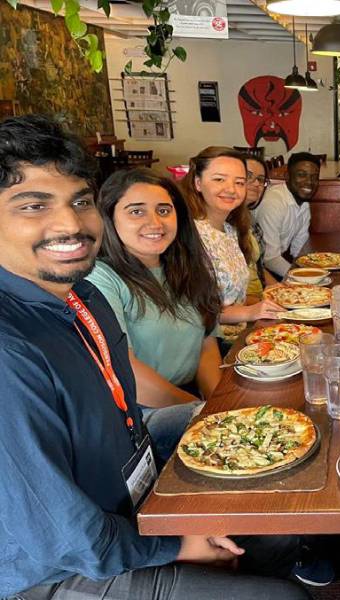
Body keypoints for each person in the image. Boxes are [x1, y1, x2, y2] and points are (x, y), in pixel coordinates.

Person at [0, 115, 309, 600]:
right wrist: (175, 543)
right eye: (33, 205)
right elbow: (63, 534)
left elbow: (131, 415)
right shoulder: (9, 349)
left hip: (126, 491)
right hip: (53, 567)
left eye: (79, 202)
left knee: (278, 521)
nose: (69, 224)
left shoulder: (83, 296)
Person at [86, 169, 222, 462]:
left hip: (190, 398)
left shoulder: (184, 266)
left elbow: (206, 342)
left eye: (164, 210)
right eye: (136, 211)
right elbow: (126, 371)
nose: (155, 223)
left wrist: (218, 401)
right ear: (109, 218)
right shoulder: (101, 278)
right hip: (141, 413)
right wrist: (204, 409)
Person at [181, 146, 282, 341]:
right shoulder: (190, 234)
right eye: (219, 179)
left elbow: (235, 298)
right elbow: (192, 310)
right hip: (210, 346)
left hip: (244, 336)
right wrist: (250, 312)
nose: (231, 189)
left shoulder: (231, 230)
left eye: (239, 182)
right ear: (198, 183)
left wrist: (270, 300)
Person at [252, 152, 320, 278]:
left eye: (314, 177)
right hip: (257, 271)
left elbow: (299, 249)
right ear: (287, 176)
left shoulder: (304, 203)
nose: (309, 182)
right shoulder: (273, 203)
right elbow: (269, 258)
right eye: (301, 175)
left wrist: (318, 270)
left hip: (275, 265)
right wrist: (302, 278)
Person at [243, 155, 279, 294]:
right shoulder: (223, 221)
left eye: (260, 179)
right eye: (248, 176)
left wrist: (279, 289)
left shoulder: (248, 217)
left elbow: (257, 266)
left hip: (260, 295)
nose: (257, 183)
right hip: (246, 307)